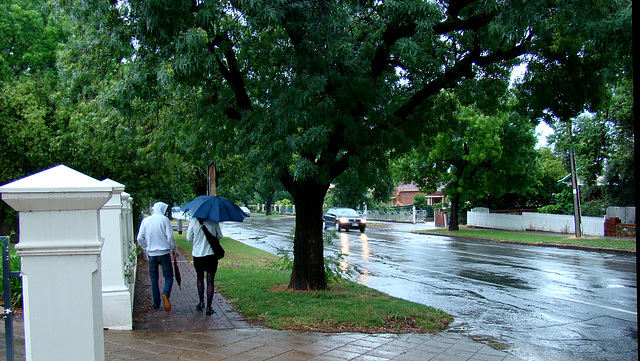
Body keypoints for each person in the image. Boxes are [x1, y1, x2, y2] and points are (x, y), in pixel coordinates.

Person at [137, 201, 178, 311]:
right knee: (168, 276)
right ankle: (165, 294)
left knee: (154, 278)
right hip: (164, 253)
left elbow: (139, 238)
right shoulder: (164, 220)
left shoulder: (146, 221)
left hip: (152, 254)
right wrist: (173, 248)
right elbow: (169, 237)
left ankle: (156, 302)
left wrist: (146, 248)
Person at [186, 217, 222, 315]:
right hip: (211, 254)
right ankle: (209, 307)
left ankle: (201, 302)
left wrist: (197, 239)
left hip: (198, 254)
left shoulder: (193, 221)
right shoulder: (214, 221)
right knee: (210, 281)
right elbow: (219, 236)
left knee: (199, 278)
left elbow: (189, 238)